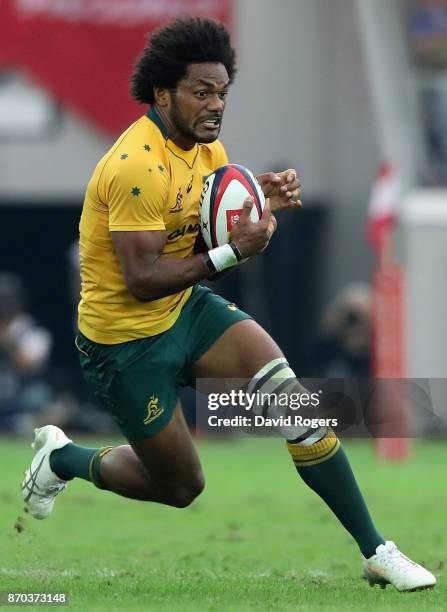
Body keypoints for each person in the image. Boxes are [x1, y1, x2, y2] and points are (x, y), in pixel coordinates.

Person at [22, 16, 435, 592]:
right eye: (201, 92)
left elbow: (204, 229)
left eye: (221, 92)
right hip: (124, 343)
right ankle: (63, 460)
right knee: (181, 487)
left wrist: (254, 199)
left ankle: (377, 550)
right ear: (162, 94)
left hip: (186, 311)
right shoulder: (134, 165)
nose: (215, 105)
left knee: (296, 407)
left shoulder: (208, 147)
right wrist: (234, 253)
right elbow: (142, 278)